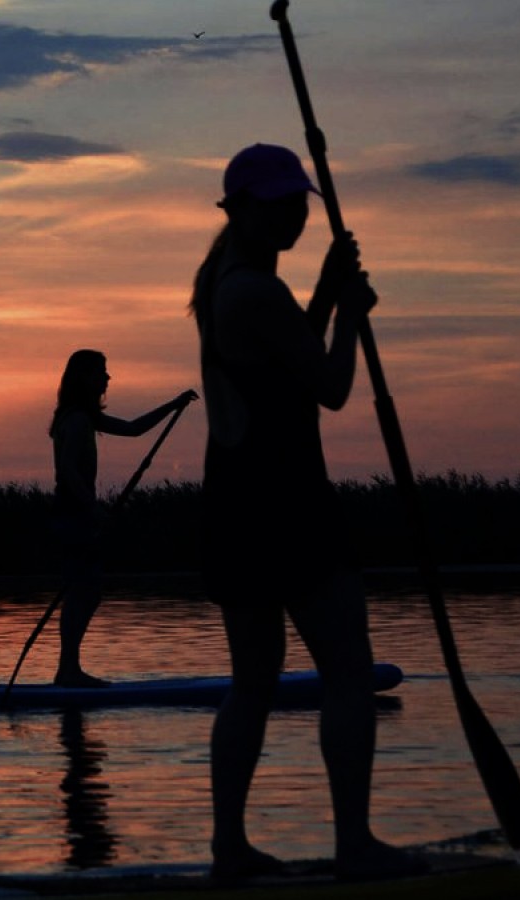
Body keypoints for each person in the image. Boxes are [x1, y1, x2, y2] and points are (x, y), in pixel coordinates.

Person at [190, 144, 423, 881]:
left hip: (236, 501)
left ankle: (230, 849)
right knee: (349, 673)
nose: (293, 213)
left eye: (299, 201)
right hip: (285, 499)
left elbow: (287, 356)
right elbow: (326, 384)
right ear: (241, 210)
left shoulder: (226, 282)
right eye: (278, 203)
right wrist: (350, 316)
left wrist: (323, 292)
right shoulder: (253, 292)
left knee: (253, 682)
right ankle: (353, 845)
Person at [49, 349, 196, 687]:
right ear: (84, 377)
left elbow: (133, 429)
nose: (108, 378)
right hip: (72, 514)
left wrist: (173, 405)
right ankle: (67, 670)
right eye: (101, 371)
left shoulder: (87, 417)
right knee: (81, 591)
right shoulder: (75, 419)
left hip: (78, 513)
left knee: (88, 591)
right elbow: (67, 469)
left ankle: (68, 668)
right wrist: (92, 507)